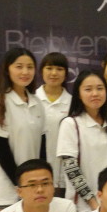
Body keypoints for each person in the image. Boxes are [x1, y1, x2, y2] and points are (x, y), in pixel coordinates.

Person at [0, 48, 46, 212]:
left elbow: (42, 149)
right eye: (19, 66)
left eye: (30, 67)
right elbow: (1, 151)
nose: (25, 72)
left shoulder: (37, 103)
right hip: (5, 191)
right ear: (7, 70)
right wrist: (21, 184)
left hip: (32, 189)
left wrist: (36, 182)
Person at [57, 70, 107, 212]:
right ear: (78, 94)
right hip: (83, 207)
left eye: (100, 88)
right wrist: (94, 204)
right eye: (88, 89)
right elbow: (71, 169)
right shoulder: (71, 124)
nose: (95, 94)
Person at [36, 52, 72, 196]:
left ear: (66, 73)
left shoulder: (73, 103)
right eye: (49, 68)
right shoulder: (31, 99)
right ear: (41, 71)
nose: (54, 73)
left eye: (59, 69)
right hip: (36, 172)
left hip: (64, 174)